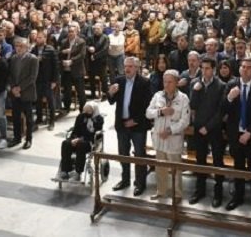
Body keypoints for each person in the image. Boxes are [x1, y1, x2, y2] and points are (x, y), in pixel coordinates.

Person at [222, 58, 251, 212]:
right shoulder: (231, 85)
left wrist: (249, 132)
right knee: (238, 167)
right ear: (239, 69)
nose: (246, 69)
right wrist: (230, 97)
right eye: (243, 67)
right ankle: (238, 196)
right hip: (235, 134)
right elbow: (223, 109)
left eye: (249, 67)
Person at [108, 57, 152, 196]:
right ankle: (125, 180)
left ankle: (140, 183)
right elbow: (111, 101)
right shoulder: (119, 80)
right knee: (123, 154)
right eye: (125, 66)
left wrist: (136, 120)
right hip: (122, 124)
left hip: (137, 126)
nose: (127, 69)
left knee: (139, 156)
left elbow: (148, 105)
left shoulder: (144, 83)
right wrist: (111, 93)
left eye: (130, 66)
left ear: (137, 68)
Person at [146, 69, 190, 201]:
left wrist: (170, 130)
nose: (166, 84)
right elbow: (148, 113)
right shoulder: (157, 96)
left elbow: (185, 121)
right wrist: (160, 112)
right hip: (159, 139)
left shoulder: (183, 98)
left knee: (176, 169)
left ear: (176, 82)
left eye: (170, 82)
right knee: (160, 167)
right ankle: (161, 191)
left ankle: (177, 194)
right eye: (165, 81)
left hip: (173, 139)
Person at [188, 57, 227, 207]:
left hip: (214, 129)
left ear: (214, 70)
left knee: (217, 161)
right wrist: (196, 91)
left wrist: (208, 127)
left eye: (207, 68)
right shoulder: (195, 83)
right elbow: (192, 106)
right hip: (199, 128)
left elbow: (221, 111)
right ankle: (200, 190)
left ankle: (218, 193)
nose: (204, 71)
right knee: (200, 160)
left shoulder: (221, 85)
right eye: (202, 68)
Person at [58, 102, 104, 181]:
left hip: (90, 141)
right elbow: (76, 130)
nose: (86, 113)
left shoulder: (99, 119)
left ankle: (78, 173)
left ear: (94, 110)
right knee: (65, 143)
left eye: (88, 111)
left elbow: (94, 134)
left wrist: (80, 139)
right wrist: (74, 139)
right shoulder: (81, 117)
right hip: (78, 138)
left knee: (80, 145)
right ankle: (65, 170)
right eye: (85, 111)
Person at [8, 38, 39, 149]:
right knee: (16, 117)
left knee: (28, 118)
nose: (18, 48)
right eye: (16, 46)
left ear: (27, 47)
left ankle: (28, 139)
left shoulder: (33, 59)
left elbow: (32, 77)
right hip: (14, 92)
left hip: (27, 92)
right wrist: (13, 88)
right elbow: (10, 75)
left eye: (21, 46)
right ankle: (17, 138)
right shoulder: (13, 58)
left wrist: (19, 88)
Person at [30, 32, 58, 131]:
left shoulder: (50, 49)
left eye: (40, 37)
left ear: (45, 38)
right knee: (38, 100)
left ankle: (52, 121)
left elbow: (56, 66)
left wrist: (54, 80)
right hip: (37, 79)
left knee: (50, 101)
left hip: (48, 79)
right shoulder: (33, 49)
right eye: (37, 38)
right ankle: (39, 118)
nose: (38, 39)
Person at [59, 24, 87, 111]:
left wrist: (71, 61)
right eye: (69, 31)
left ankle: (83, 108)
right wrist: (63, 52)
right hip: (66, 70)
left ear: (76, 32)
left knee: (80, 91)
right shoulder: (64, 42)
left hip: (77, 70)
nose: (70, 33)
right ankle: (67, 107)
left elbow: (82, 55)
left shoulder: (81, 42)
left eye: (72, 31)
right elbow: (58, 54)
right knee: (67, 91)